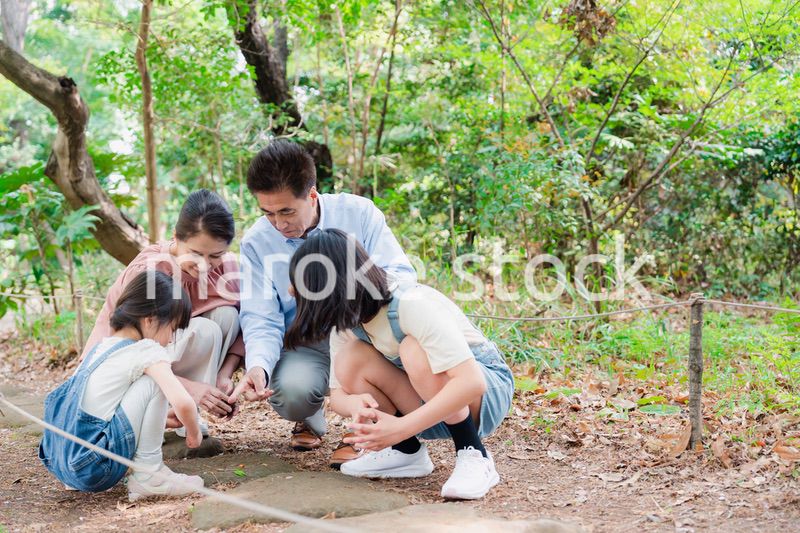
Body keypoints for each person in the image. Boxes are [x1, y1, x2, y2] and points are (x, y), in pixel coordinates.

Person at [283, 229, 514, 500]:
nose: (292, 292)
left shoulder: (410, 303)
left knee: (412, 349)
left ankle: (474, 453)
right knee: (351, 357)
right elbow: (338, 397)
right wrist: (355, 404)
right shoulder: (345, 320)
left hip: (485, 394)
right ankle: (406, 452)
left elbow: (472, 382)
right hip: (431, 403)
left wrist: (401, 427)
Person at [232, 139, 415, 460]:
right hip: (306, 339)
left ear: (312, 195)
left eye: (287, 210)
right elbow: (261, 317)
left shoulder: (359, 213)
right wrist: (258, 366)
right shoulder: (257, 242)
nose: (279, 223)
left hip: (363, 333)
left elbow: (399, 276)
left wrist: (353, 301)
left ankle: (367, 427)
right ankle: (309, 413)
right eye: (268, 213)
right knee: (291, 394)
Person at [84, 189, 244, 437]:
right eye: (195, 253)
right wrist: (191, 388)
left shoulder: (227, 269)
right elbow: (128, 351)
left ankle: (184, 418)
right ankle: (161, 413)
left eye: (215, 255)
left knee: (227, 315)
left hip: (169, 359)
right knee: (203, 329)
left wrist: (224, 374)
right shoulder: (150, 271)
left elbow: (246, 323)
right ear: (175, 238)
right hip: (119, 366)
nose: (204, 265)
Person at [39, 270, 205, 501]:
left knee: (145, 377)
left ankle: (84, 479)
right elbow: (183, 402)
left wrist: (158, 419)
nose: (170, 339)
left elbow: (100, 407)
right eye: (173, 329)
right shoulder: (147, 351)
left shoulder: (101, 348)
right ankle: (151, 476)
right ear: (150, 320)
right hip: (94, 467)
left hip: (61, 461)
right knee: (154, 380)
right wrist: (194, 433)